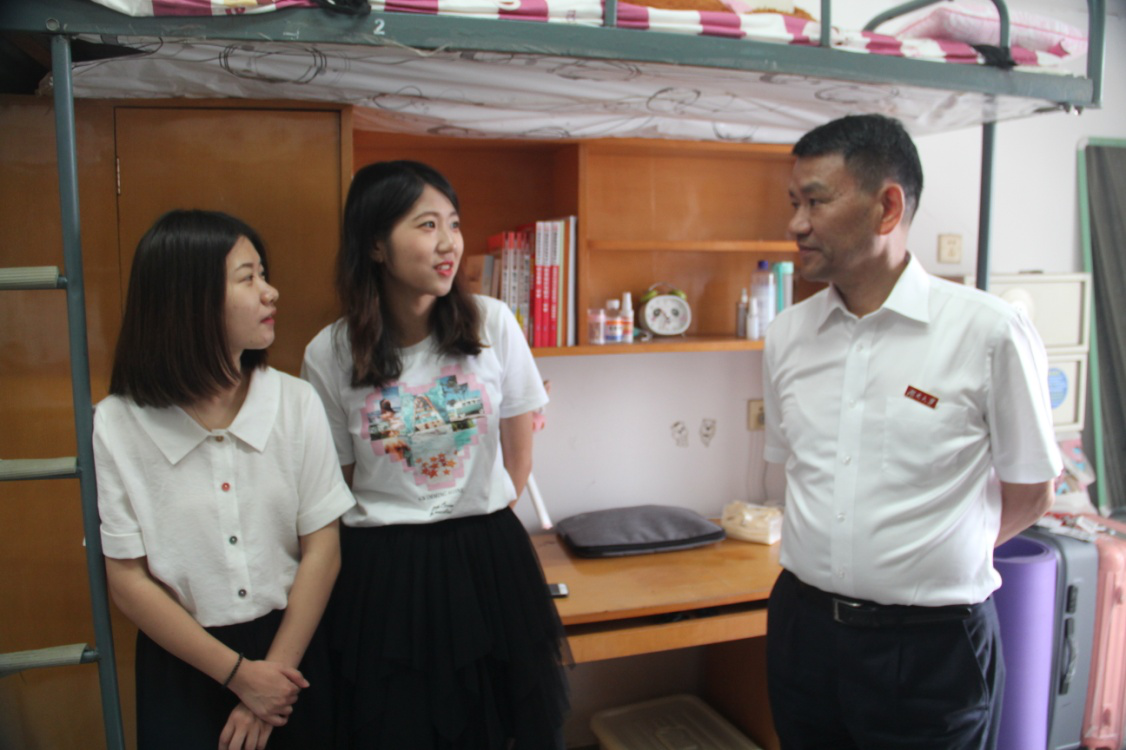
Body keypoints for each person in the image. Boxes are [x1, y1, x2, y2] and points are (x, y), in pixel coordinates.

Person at [762, 114, 1061, 749]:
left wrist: (930, 555)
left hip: (930, 647)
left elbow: (1033, 492)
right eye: (794, 203)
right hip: (803, 632)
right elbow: (793, 471)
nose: (797, 224)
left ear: (888, 207)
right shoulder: (788, 335)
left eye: (816, 201)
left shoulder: (988, 333)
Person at [301, 160, 569, 749]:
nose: (449, 243)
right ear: (376, 244)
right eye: (427, 225)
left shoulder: (493, 324)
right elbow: (339, 483)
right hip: (383, 572)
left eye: (454, 223)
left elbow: (517, 459)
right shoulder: (329, 353)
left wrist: (469, 515)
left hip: (487, 558)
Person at [94, 210, 354, 750]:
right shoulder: (117, 422)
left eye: (264, 274)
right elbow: (127, 579)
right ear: (188, 299)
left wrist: (272, 680)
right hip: (184, 663)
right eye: (248, 277)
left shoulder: (295, 401)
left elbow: (323, 548)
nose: (270, 292)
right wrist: (240, 677)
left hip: (293, 653)